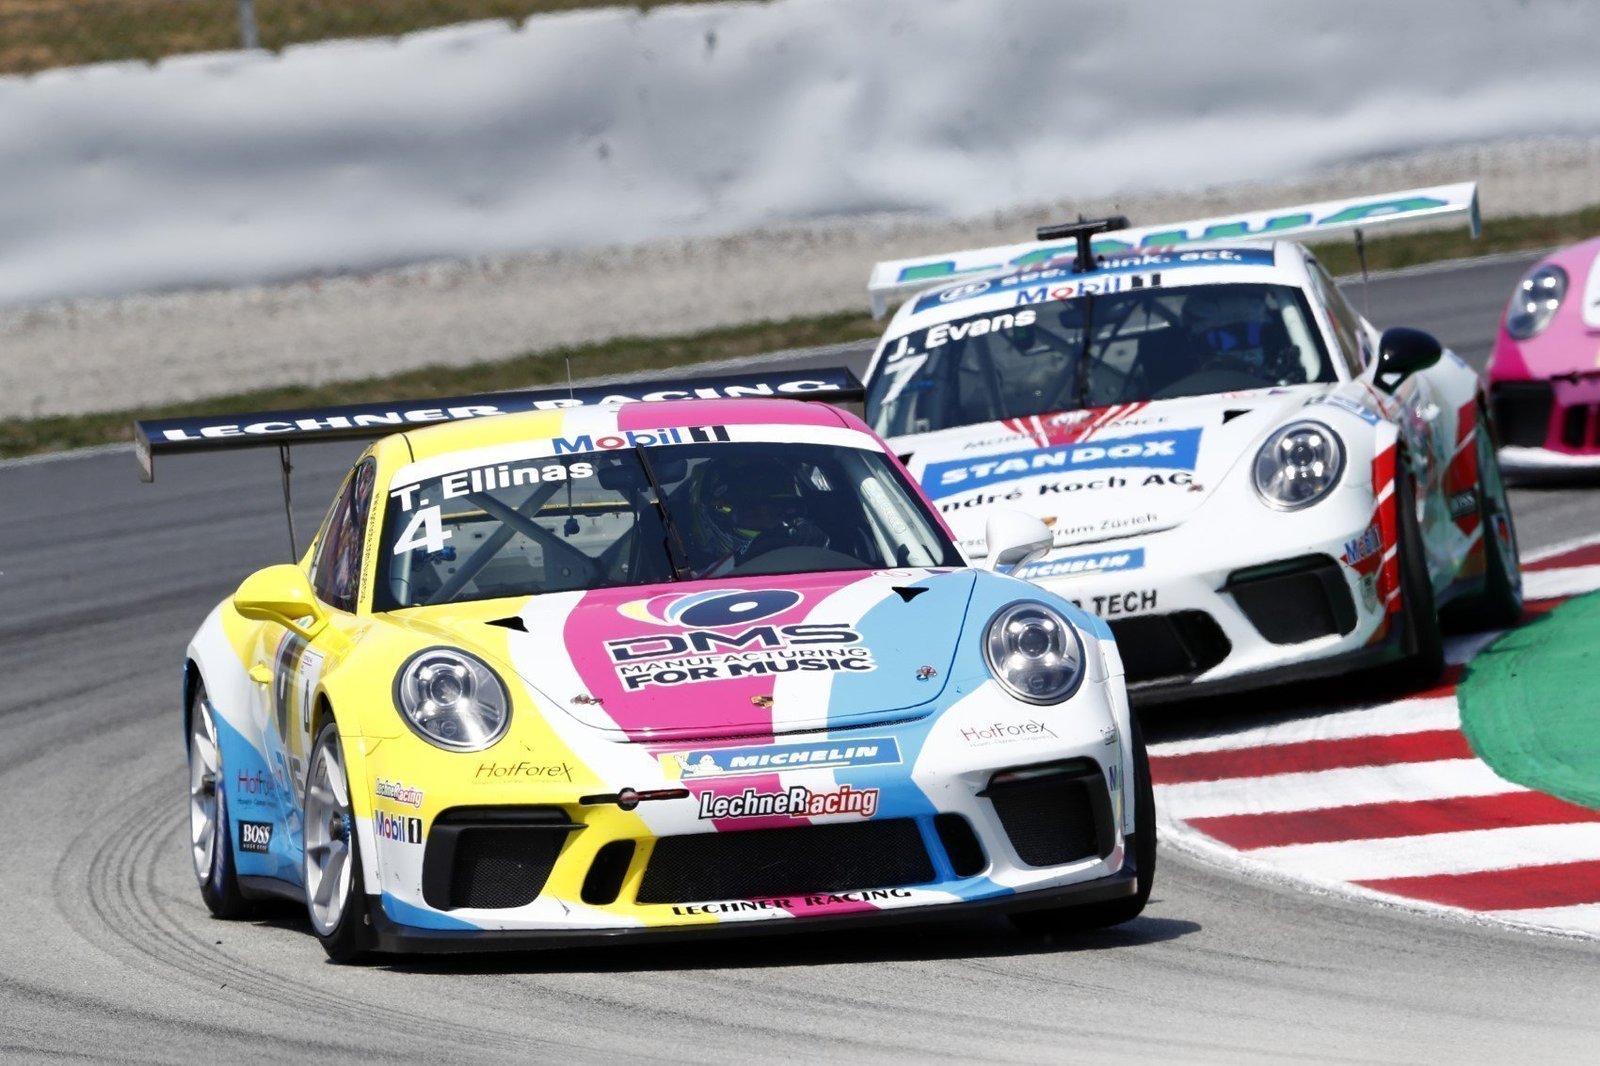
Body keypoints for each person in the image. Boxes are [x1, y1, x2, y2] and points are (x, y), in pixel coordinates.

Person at [679, 454, 830, 575]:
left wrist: (819, 544)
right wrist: (742, 559)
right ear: (715, 518)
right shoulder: (677, 576)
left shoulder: (815, 546)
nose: (770, 525)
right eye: (753, 516)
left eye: (777, 513)